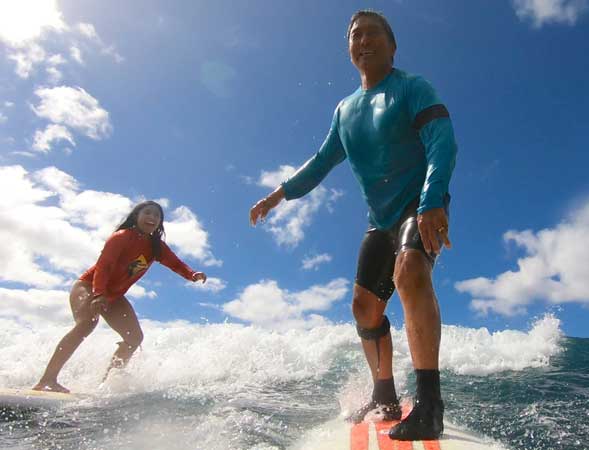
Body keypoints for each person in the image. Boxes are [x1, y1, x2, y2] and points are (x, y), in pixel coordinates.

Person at [249, 10, 457, 441]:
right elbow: (322, 161)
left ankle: (429, 405)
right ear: (348, 49)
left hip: (420, 207)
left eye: (372, 34)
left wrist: (432, 200)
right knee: (363, 308)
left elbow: (442, 140)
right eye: (355, 35)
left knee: (410, 272)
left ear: (392, 45)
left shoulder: (412, 88)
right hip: (379, 223)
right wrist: (278, 194)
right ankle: (384, 395)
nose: (363, 41)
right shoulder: (344, 110)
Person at [33, 201, 207, 393]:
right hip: (89, 286)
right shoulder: (121, 237)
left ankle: (105, 386)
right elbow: (104, 266)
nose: (152, 218)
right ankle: (47, 380)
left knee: (134, 338)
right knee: (87, 323)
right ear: (136, 216)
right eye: (147, 213)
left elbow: (176, 263)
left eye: (157, 216)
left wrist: (192, 274)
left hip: (113, 296)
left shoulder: (156, 247)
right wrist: (98, 293)